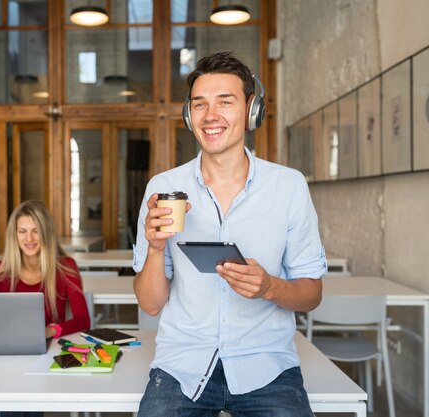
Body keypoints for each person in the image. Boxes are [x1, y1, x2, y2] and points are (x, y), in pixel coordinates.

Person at [132, 51, 327, 417]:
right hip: (183, 365)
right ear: (189, 116)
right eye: (200, 104)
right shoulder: (164, 187)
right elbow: (151, 304)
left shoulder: (288, 186)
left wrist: (270, 287)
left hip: (267, 366)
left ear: (252, 109)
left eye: (226, 102)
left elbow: (311, 294)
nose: (211, 116)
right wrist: (156, 250)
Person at [0, 200, 90, 340]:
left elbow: (83, 320)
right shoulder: (1, 269)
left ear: (46, 233)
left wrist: (47, 332)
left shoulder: (65, 267)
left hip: (50, 349)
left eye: (36, 231)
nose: (29, 238)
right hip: (8, 346)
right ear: (14, 235)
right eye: (22, 231)